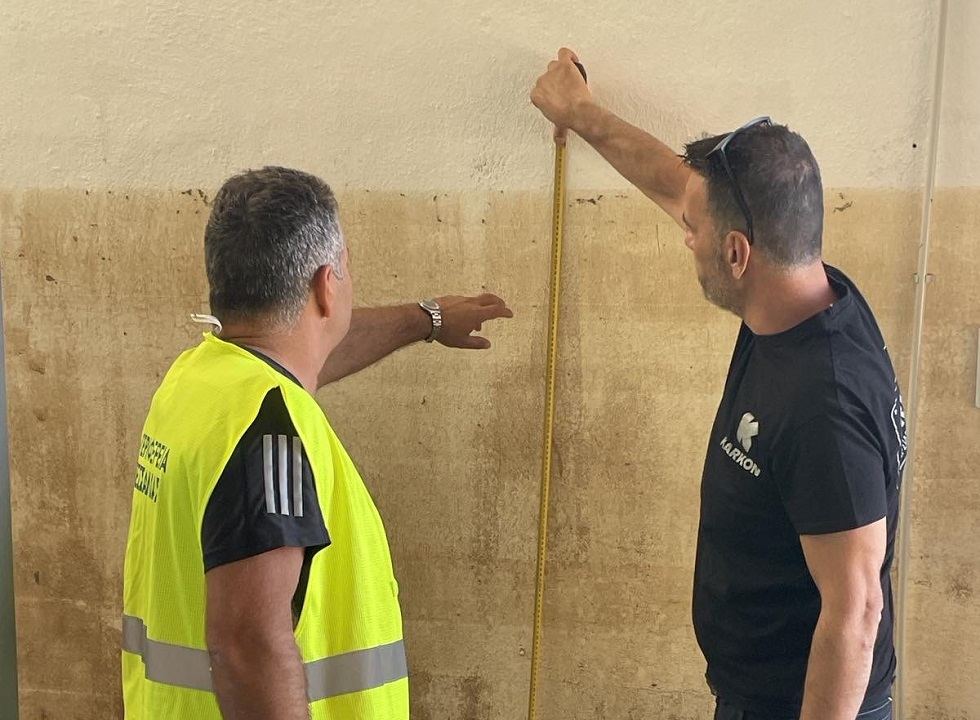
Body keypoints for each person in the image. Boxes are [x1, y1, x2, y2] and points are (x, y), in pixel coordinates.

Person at [531, 49, 904, 720]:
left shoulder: (824, 405)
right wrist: (580, 113)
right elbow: (679, 185)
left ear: (737, 253)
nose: (684, 235)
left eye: (692, 230)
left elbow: (856, 613)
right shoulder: (803, 289)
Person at [121, 166, 513, 720]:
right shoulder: (268, 431)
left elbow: (306, 353)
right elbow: (248, 646)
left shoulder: (200, 380)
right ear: (328, 285)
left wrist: (426, 320)